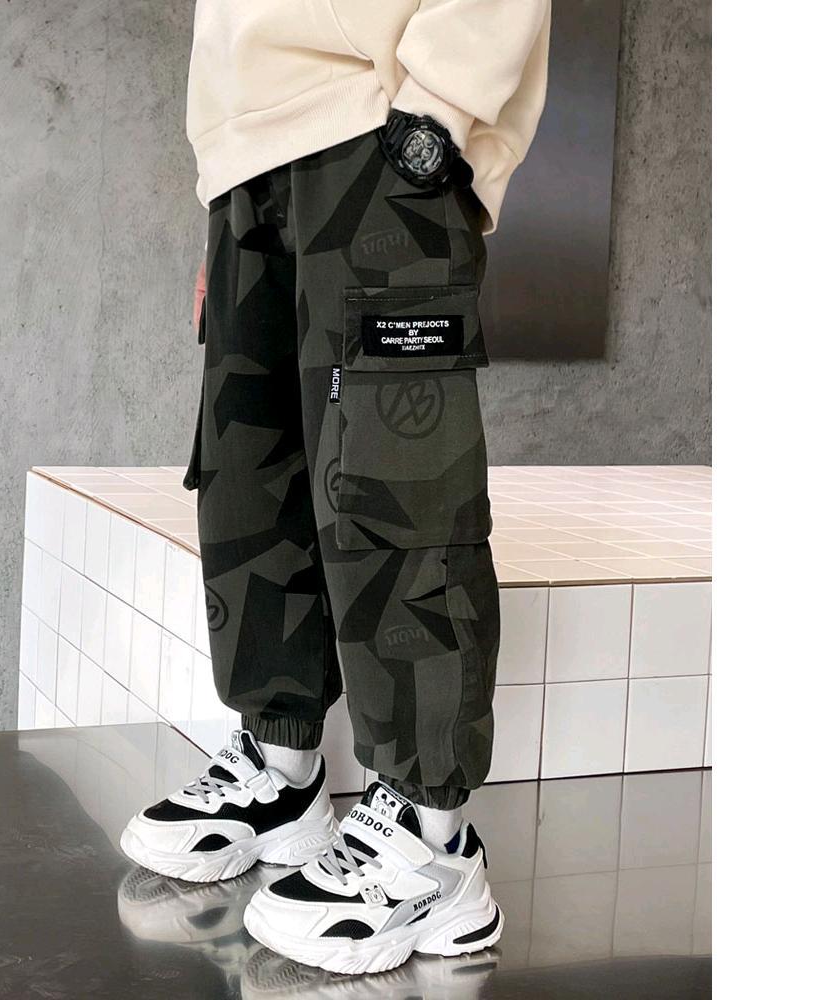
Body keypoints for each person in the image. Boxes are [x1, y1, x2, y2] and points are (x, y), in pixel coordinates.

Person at [121, 0, 551, 976]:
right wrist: (226, 178)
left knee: (397, 489)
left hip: (381, 130)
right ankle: (280, 770)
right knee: (250, 473)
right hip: (250, 160)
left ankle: (434, 847)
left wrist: (441, 108)